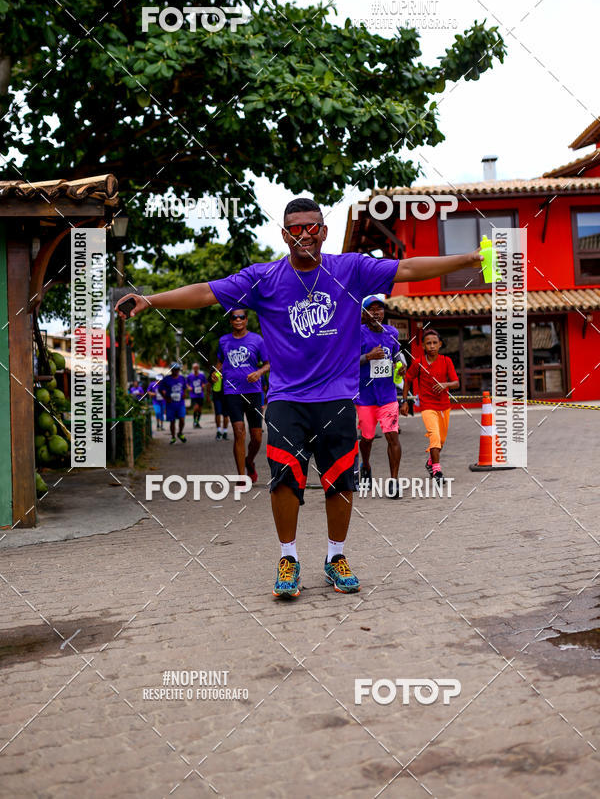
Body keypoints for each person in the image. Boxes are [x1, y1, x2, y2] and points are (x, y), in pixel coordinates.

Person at [117, 197, 482, 598]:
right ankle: (288, 559)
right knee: (285, 480)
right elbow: (205, 292)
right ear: (284, 234)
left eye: (311, 227)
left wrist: (469, 259)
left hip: (338, 397)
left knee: (340, 480)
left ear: (323, 231)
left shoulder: (350, 269)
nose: (303, 234)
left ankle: (336, 556)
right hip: (287, 398)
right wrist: (151, 300)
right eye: (295, 228)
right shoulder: (264, 278)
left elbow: (408, 268)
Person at [356, 295, 406, 499]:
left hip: (387, 396)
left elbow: (397, 355)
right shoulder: (357, 333)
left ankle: (394, 481)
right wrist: (368, 357)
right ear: (364, 314)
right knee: (367, 438)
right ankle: (366, 466)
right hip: (365, 397)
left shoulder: (391, 332)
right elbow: (347, 361)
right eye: (371, 309)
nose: (376, 312)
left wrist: (401, 365)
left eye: (379, 309)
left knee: (392, 437)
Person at [212, 309, 269, 483]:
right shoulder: (223, 341)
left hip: (253, 392)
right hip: (232, 392)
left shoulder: (257, 340)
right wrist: (215, 372)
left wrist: (258, 373)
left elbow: (268, 364)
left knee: (257, 437)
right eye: (234, 317)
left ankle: (249, 461)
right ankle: (241, 477)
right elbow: (220, 362)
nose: (238, 320)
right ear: (230, 321)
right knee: (238, 432)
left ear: (246, 320)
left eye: (241, 317)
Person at [401, 330, 460, 483]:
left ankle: (430, 463)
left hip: (444, 406)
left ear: (440, 344)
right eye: (428, 343)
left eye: (435, 343)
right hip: (427, 406)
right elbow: (407, 379)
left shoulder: (446, 361)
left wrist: (445, 384)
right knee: (434, 436)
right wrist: (405, 401)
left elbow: (456, 382)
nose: (432, 346)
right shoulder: (418, 363)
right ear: (423, 346)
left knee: (441, 441)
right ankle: (437, 471)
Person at [158, 362, 188, 445]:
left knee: (182, 419)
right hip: (170, 404)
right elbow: (160, 389)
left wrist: (184, 394)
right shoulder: (166, 379)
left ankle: (180, 433)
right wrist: (165, 397)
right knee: (172, 421)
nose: (176, 371)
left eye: (178, 370)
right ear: (171, 370)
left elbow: (184, 388)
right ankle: (173, 437)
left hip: (180, 403)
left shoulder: (182, 378)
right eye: (175, 370)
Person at [187, 363, 208, 428]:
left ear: (198, 368)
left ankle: (197, 422)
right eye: (194, 368)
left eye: (197, 367)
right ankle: (195, 421)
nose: (195, 369)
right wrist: (189, 387)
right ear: (193, 368)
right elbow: (186, 383)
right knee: (196, 408)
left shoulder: (202, 375)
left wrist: (204, 385)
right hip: (193, 395)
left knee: (200, 410)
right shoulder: (190, 376)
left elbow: (205, 382)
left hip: (200, 395)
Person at [210, 368, 229, 440]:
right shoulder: (214, 370)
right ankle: (218, 431)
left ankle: (225, 432)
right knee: (218, 413)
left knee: (226, 415)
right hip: (217, 395)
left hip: (226, 395)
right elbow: (209, 381)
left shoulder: (228, 368)